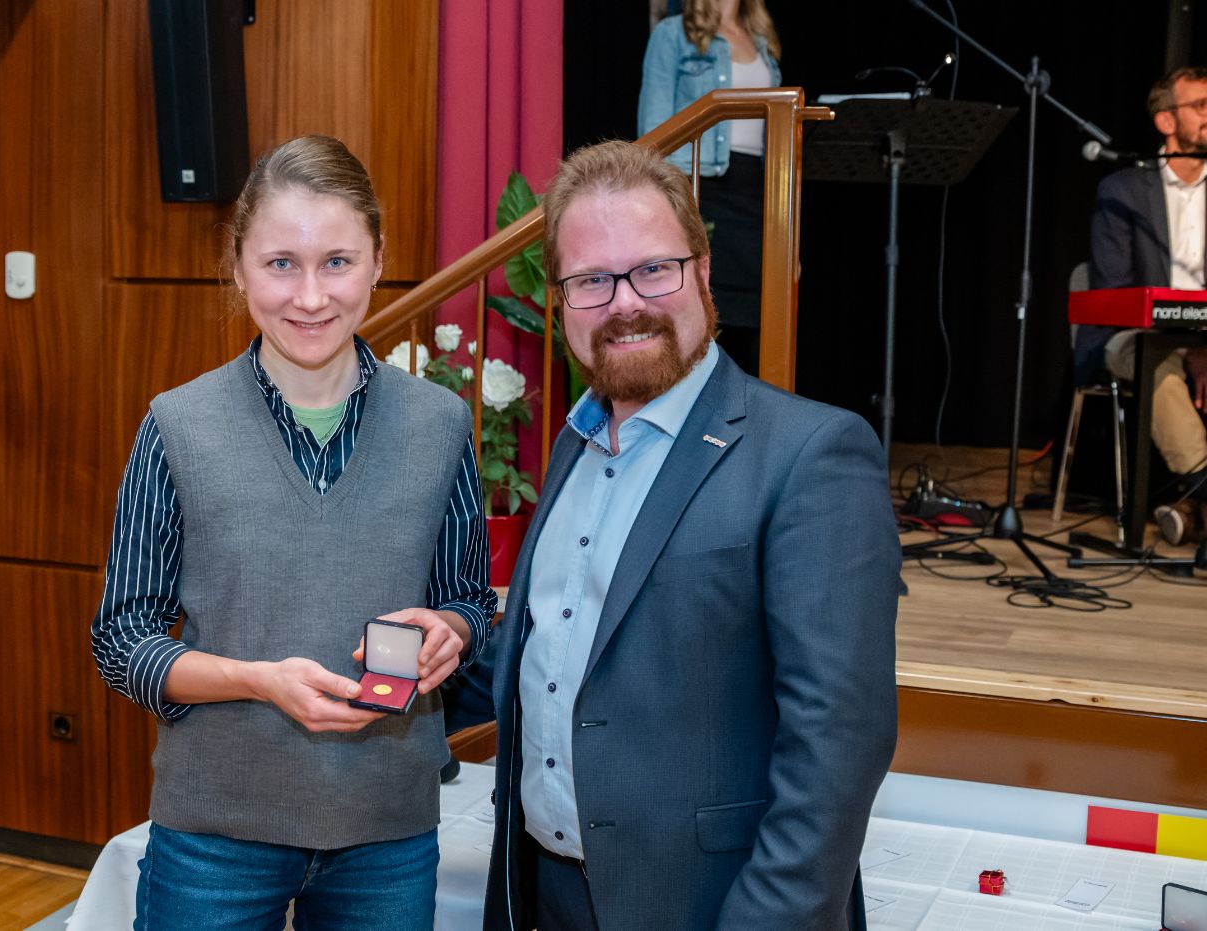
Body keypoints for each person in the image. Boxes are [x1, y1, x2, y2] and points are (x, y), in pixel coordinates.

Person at [465, 141, 900, 930]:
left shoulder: (811, 454)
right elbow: (560, 646)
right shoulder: (572, 444)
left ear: (702, 271)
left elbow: (838, 743)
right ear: (561, 301)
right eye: (592, 280)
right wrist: (438, 652)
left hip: (711, 908)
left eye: (653, 269)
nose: (625, 302)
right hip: (548, 896)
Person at [90, 135, 497, 930]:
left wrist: (451, 631)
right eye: (281, 263)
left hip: (388, 830)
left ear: (378, 261)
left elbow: (470, 601)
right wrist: (258, 680)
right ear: (238, 267)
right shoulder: (176, 425)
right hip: (213, 834)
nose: (311, 296)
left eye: (337, 261)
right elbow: (121, 640)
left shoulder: (440, 423)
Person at [1075, 66, 1207, 546]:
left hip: (1202, 339)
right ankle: (1202, 485)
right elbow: (1115, 290)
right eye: (1201, 106)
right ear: (1166, 121)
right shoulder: (1123, 191)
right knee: (1159, 368)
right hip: (1134, 338)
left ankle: (1191, 510)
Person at [638, 0, 782, 374]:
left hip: (760, 195)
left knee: (761, 320)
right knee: (706, 318)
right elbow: (653, 138)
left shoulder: (761, 38)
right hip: (701, 188)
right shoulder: (673, 34)